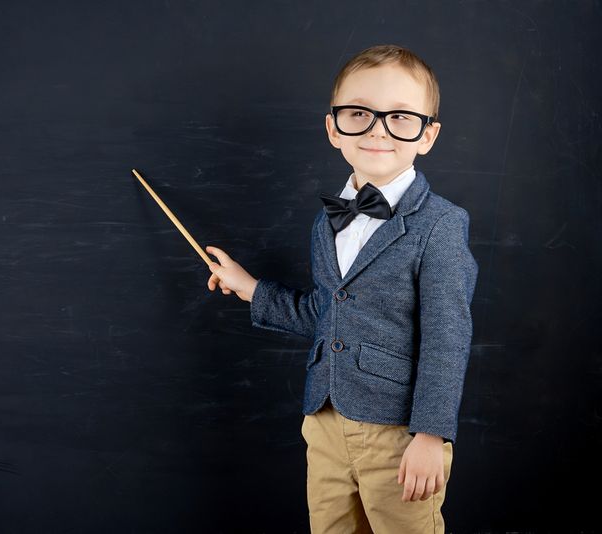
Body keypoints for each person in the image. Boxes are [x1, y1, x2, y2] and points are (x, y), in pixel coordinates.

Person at [204, 44, 479, 533]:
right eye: (359, 114)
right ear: (333, 127)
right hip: (325, 421)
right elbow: (327, 311)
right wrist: (250, 289)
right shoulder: (325, 222)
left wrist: (431, 435)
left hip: (399, 434)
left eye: (400, 117)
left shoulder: (441, 225)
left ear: (427, 135)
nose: (377, 130)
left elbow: (447, 339)